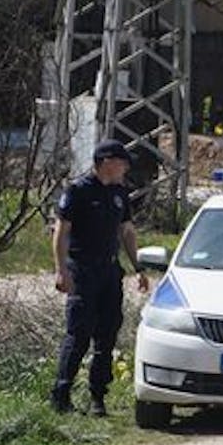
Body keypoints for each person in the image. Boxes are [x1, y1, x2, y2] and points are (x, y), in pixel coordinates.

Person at [50, 139, 150, 416]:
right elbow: (61, 233)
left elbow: (127, 232)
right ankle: (62, 393)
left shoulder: (119, 193)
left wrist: (138, 267)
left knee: (106, 336)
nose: (126, 167)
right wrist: (61, 270)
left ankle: (98, 397)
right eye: (122, 162)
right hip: (82, 270)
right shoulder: (78, 191)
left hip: (109, 271)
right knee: (79, 333)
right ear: (106, 162)